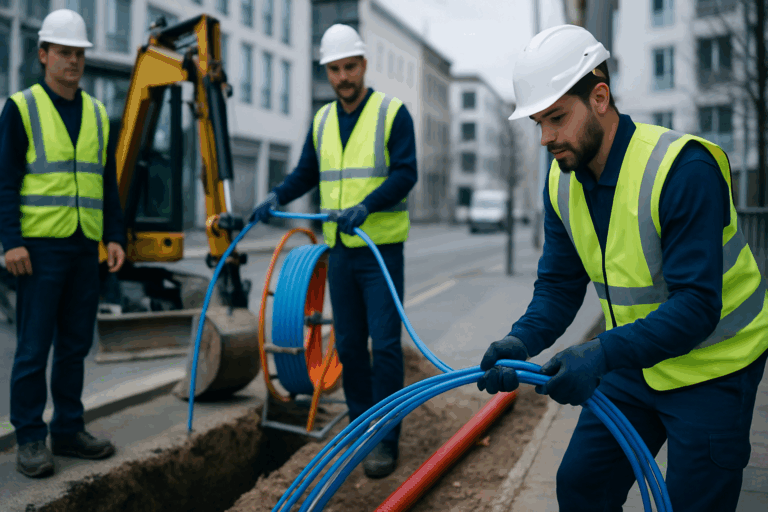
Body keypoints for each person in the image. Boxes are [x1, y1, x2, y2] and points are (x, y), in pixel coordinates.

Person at [477, 24, 768, 512]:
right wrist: (520, 342)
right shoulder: (562, 180)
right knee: (581, 486)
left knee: (694, 503)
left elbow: (697, 307)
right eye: (538, 123)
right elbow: (559, 287)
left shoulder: (683, 169)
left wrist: (600, 354)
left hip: (716, 366)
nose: (546, 138)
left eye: (556, 118)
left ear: (599, 97)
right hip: (636, 362)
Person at [250, 24, 417, 478]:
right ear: (327, 72)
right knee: (348, 345)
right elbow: (306, 172)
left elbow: (406, 173)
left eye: (349, 67)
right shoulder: (322, 120)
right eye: (335, 69)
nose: (343, 76)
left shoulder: (392, 113)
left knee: (385, 346)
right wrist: (277, 195)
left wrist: (367, 207)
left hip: (380, 251)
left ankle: (387, 439)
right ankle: (362, 428)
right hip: (340, 252)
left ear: (363, 65)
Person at [0, 9, 126, 478]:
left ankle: (69, 429)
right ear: (43, 54)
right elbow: (5, 181)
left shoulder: (96, 113)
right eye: (63, 52)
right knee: (34, 347)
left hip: (84, 247)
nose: (72, 61)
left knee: (75, 346)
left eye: (78, 54)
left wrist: (114, 235)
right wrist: (10, 241)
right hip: (38, 249)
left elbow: (107, 183)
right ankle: (31, 437)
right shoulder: (22, 107)